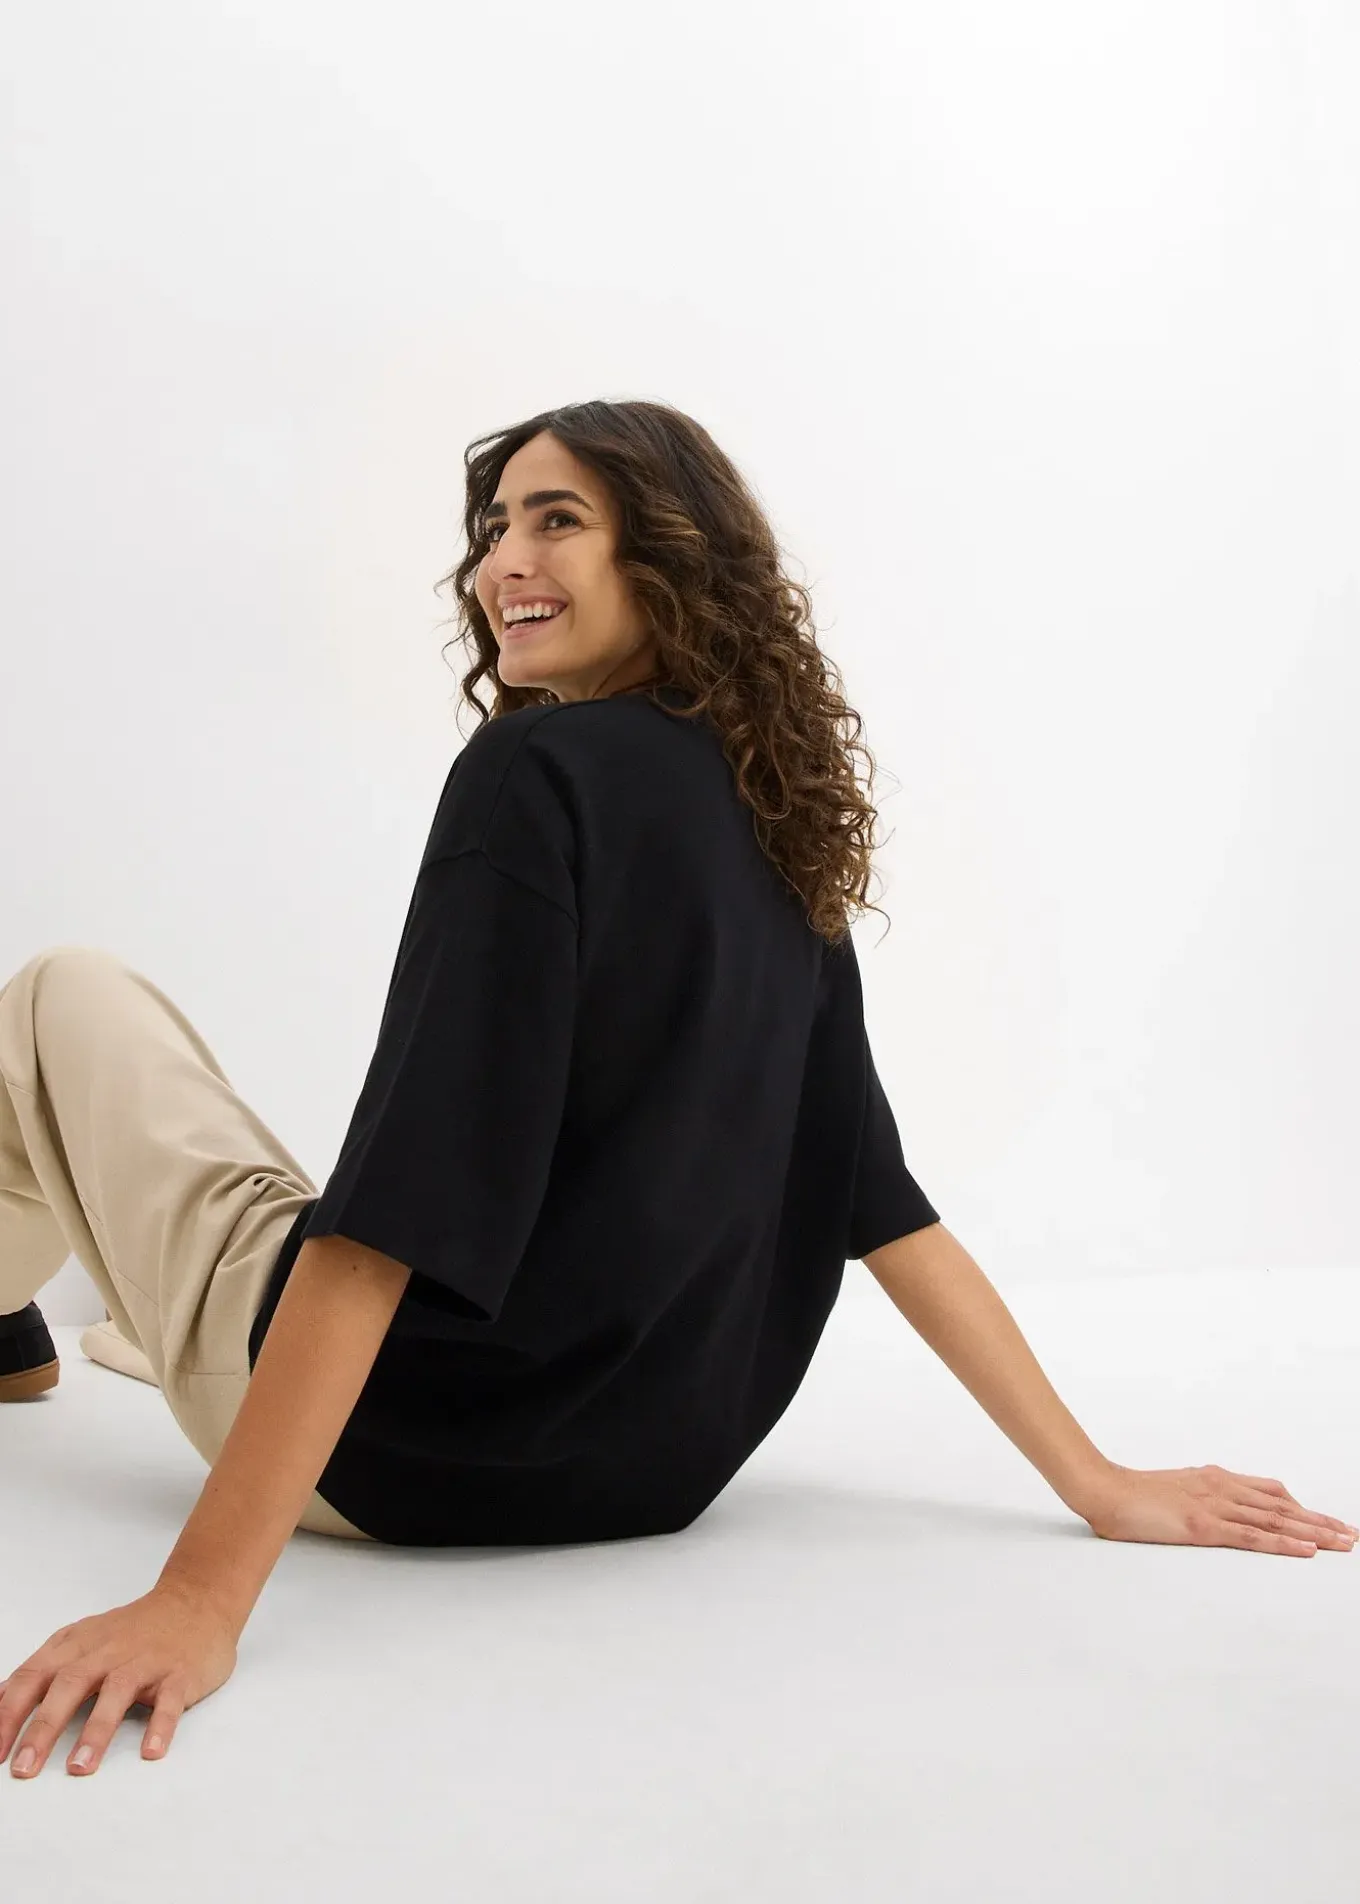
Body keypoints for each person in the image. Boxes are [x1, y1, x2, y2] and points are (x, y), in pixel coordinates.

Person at [1, 399, 1354, 1783]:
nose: (502, 561)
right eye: (494, 527)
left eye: (558, 520)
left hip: (402, 1454)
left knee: (58, 999)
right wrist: (1094, 1480)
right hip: (652, 1471)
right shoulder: (780, 814)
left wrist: (199, 1602)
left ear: (670, 553)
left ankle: (25, 1323)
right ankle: (88, 1334)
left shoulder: (529, 774)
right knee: (232, 1189)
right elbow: (882, 1205)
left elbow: (393, 1217)